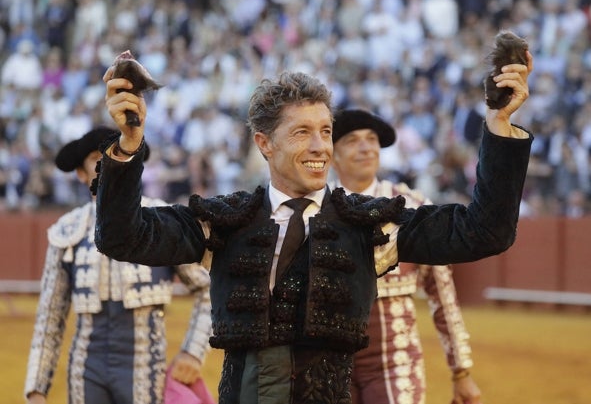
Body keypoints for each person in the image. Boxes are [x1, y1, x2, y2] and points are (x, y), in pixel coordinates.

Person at [94, 51, 533, 404]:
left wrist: (498, 127)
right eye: (303, 132)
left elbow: (485, 231)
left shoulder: (368, 224)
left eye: (325, 130)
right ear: (264, 143)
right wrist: (128, 148)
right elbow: (121, 236)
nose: (322, 146)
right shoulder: (224, 221)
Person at [24, 127, 213, 404]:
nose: (106, 163)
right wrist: (36, 389)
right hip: (87, 370)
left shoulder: (161, 220)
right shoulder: (67, 231)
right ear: (80, 173)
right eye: (94, 158)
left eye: (115, 153)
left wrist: (193, 350)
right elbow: (49, 317)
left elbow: (210, 289)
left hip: (146, 366)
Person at [331, 108, 481, 404]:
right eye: (352, 140)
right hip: (327, 360)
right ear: (332, 154)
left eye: (371, 139)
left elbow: (442, 293)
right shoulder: (313, 211)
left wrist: (461, 371)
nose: (365, 147)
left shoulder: (410, 207)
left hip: (395, 362)